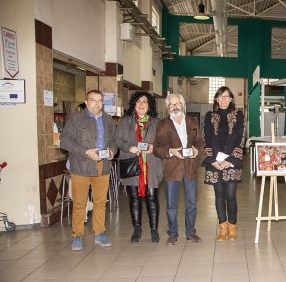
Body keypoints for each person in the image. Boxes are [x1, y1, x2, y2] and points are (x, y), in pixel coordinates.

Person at [60, 90, 116, 250]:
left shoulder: (107, 119)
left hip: (102, 166)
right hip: (81, 166)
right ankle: (77, 236)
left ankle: (100, 233)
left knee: (100, 202)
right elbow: (65, 141)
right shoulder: (75, 119)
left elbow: (113, 140)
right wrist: (85, 151)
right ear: (86, 102)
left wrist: (112, 150)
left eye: (100, 101)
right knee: (79, 203)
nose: (97, 104)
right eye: (93, 100)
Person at [154, 93, 202, 246]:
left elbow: (201, 142)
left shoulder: (193, 122)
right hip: (172, 170)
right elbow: (156, 148)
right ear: (167, 108)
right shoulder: (162, 124)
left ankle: (190, 233)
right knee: (171, 205)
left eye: (177, 104)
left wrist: (197, 150)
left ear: (183, 105)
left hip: (190, 169)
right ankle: (172, 234)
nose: (174, 107)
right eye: (171, 105)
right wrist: (170, 151)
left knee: (192, 204)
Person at [115, 92, 163, 243]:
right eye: (138, 102)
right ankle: (137, 228)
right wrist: (129, 147)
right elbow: (117, 139)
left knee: (152, 197)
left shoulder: (157, 123)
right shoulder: (125, 121)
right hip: (131, 164)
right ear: (134, 105)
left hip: (151, 165)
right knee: (134, 198)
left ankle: (154, 229)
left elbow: (164, 143)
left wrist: (153, 147)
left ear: (149, 106)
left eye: (145, 102)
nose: (141, 105)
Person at [202, 86, 246, 242]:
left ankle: (233, 226)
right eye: (220, 96)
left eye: (227, 96)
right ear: (216, 99)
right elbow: (206, 137)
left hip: (231, 162)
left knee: (230, 196)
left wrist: (230, 161)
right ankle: (223, 227)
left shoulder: (238, 115)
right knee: (219, 196)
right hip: (214, 162)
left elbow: (241, 138)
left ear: (231, 99)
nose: (223, 99)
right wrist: (213, 160)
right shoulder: (209, 116)